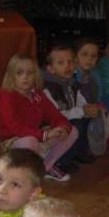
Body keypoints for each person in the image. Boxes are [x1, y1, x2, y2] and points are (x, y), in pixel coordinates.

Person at [0, 53, 79, 182]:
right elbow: (15, 127)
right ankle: (24, 173)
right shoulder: (6, 96)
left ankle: (45, 168)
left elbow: (55, 115)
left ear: (36, 75)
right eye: (19, 73)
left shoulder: (37, 95)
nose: (25, 77)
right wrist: (44, 135)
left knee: (72, 131)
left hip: (35, 136)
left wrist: (63, 128)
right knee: (29, 142)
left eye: (30, 72)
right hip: (11, 142)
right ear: (11, 75)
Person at [42, 43, 100, 174]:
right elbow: (55, 115)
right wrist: (82, 111)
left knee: (87, 119)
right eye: (61, 63)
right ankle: (61, 161)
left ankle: (78, 152)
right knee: (76, 123)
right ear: (51, 69)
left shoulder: (73, 83)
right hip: (52, 125)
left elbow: (80, 101)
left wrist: (88, 109)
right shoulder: (48, 89)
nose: (67, 66)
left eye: (70, 62)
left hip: (69, 117)